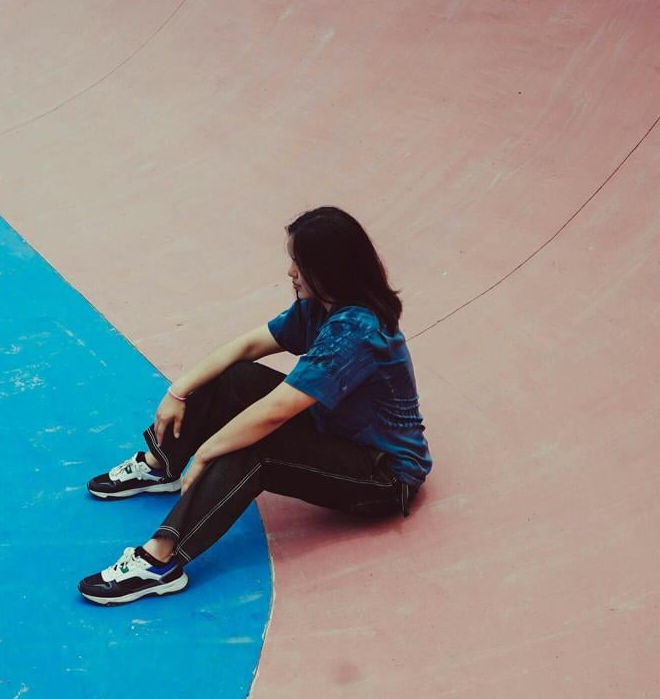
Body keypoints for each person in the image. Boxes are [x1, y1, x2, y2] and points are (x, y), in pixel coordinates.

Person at [78, 207, 432, 605]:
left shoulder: (355, 332)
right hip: (333, 429)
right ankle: (162, 466)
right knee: (234, 377)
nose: (291, 273)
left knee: (254, 448)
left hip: (384, 475)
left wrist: (207, 453)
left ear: (329, 269)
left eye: (300, 264)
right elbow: (246, 347)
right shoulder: (321, 306)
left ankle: (160, 561)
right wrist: (177, 392)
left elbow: (275, 412)